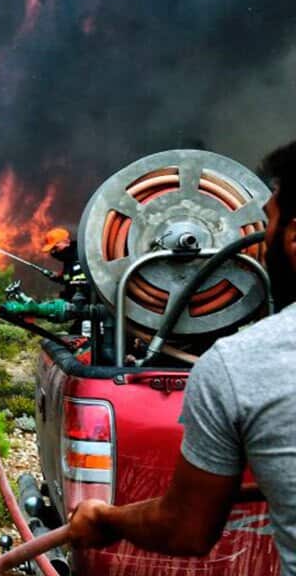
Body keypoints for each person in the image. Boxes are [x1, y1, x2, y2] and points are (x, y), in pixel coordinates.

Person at [69, 140, 296, 572]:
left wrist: (106, 518)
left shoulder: (240, 366)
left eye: (268, 221)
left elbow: (185, 527)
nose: (257, 239)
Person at [41, 226, 89, 335]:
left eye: (55, 248)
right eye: (51, 249)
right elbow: (70, 279)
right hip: (82, 310)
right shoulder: (68, 259)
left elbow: (81, 283)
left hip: (92, 309)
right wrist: (59, 278)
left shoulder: (81, 254)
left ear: (66, 242)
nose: (53, 252)